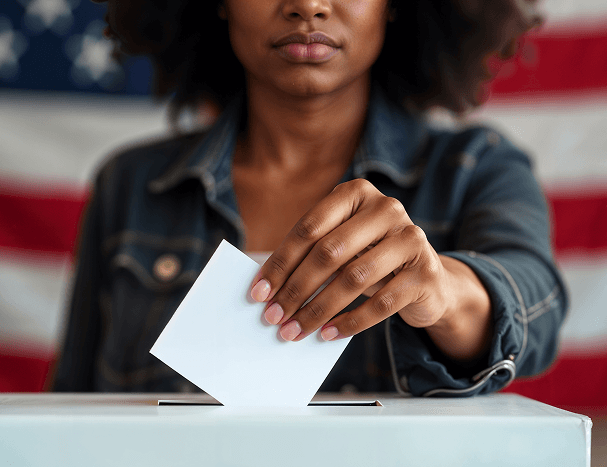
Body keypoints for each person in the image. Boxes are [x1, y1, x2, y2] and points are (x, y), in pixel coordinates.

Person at [53, 0, 567, 396]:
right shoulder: (131, 183)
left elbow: (535, 305)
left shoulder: (477, 167)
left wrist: (444, 293)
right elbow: (67, 411)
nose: (308, 5)